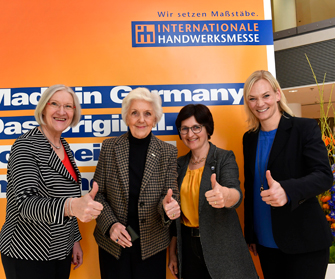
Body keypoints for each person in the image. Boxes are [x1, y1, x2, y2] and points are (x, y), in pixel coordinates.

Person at [0, 84, 103, 279]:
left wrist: (74, 241)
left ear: (74, 112)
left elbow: (70, 197)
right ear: (44, 109)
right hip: (27, 251)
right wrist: (72, 206)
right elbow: (27, 204)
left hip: (59, 251)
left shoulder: (63, 145)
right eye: (54, 104)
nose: (61, 111)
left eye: (68, 106)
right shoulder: (26, 146)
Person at [243, 70, 333, 279]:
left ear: (277, 94)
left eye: (265, 95)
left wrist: (288, 191)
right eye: (252, 98)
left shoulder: (304, 128)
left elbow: (323, 175)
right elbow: (251, 186)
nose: (260, 103)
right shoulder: (249, 138)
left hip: (304, 241)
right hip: (265, 241)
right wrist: (251, 233)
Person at [93, 87, 180, 279]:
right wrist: (110, 225)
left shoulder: (167, 152)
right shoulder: (109, 147)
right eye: (135, 113)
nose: (141, 119)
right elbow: (97, 194)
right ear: (126, 118)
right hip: (113, 243)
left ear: (155, 119)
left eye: (147, 113)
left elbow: (172, 197)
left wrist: (168, 208)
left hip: (151, 245)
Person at [168, 104, 258, 279]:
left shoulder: (224, 158)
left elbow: (235, 193)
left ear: (207, 129)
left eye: (196, 127)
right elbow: (174, 218)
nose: (190, 134)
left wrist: (225, 195)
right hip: (188, 247)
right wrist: (173, 252)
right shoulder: (178, 165)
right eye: (184, 129)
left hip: (222, 247)